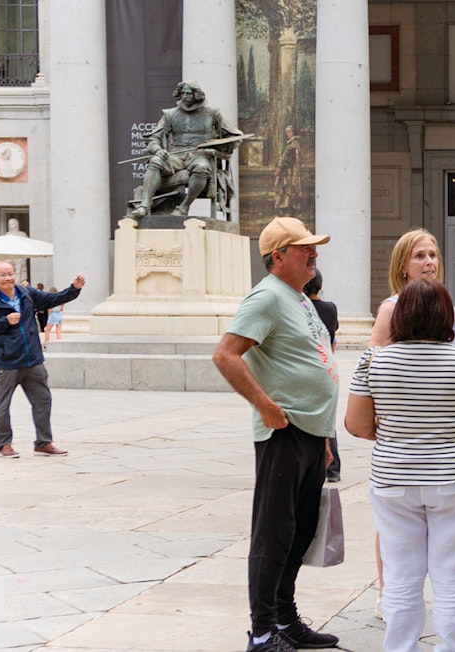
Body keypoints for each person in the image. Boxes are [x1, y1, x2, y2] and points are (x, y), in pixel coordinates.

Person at [345, 278, 455, 652]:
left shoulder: (373, 361)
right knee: (454, 573)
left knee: (401, 575)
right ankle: (452, 646)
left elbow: (356, 425)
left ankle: (401, 646)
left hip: (393, 480)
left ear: (400, 316)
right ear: (446, 318)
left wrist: (397, 434)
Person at [212, 217, 340, 652]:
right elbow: (226, 355)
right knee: (274, 533)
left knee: (300, 531)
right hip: (284, 431)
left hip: (309, 432)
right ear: (278, 257)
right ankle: (263, 631)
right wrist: (264, 405)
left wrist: (323, 437)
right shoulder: (266, 296)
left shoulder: (298, 298)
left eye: (314, 248)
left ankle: (285, 618)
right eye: (305, 249)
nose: (314, 255)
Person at [368, 228, 455, 620]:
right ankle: (387, 590)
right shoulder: (391, 309)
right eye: (419, 256)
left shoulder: (451, 311)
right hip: (403, 434)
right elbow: (373, 366)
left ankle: (439, 599)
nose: (429, 262)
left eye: (433, 254)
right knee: (394, 525)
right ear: (403, 268)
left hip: (445, 436)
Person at [0, 261, 84, 458]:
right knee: (3, 403)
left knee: (43, 400)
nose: (8, 278)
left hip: (33, 360)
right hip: (7, 361)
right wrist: (5, 321)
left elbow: (54, 298)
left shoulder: (26, 293)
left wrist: (74, 289)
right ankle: (4, 444)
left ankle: (43, 442)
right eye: (2, 275)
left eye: (10, 273)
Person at [129, 80, 243, 218]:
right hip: (176, 156)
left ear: (196, 95)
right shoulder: (170, 114)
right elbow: (153, 138)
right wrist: (158, 150)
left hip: (201, 155)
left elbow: (235, 137)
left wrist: (217, 147)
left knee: (201, 168)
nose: (185, 96)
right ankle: (144, 206)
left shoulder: (212, 114)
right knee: (155, 161)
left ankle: (183, 207)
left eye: (188, 93)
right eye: (182, 93)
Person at [304, 268, 341, 483]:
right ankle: (333, 468)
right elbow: (333, 335)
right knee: (328, 418)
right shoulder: (330, 309)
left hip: (307, 363)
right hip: (326, 363)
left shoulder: (301, 308)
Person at [274, 126, 302, 212]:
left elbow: (290, 159)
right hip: (287, 168)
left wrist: (281, 167)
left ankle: (290, 205)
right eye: (286, 132)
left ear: (293, 133)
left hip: (289, 169)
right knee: (286, 186)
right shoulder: (290, 143)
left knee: (289, 186)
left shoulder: (294, 144)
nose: (287, 134)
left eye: (289, 132)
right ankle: (286, 204)